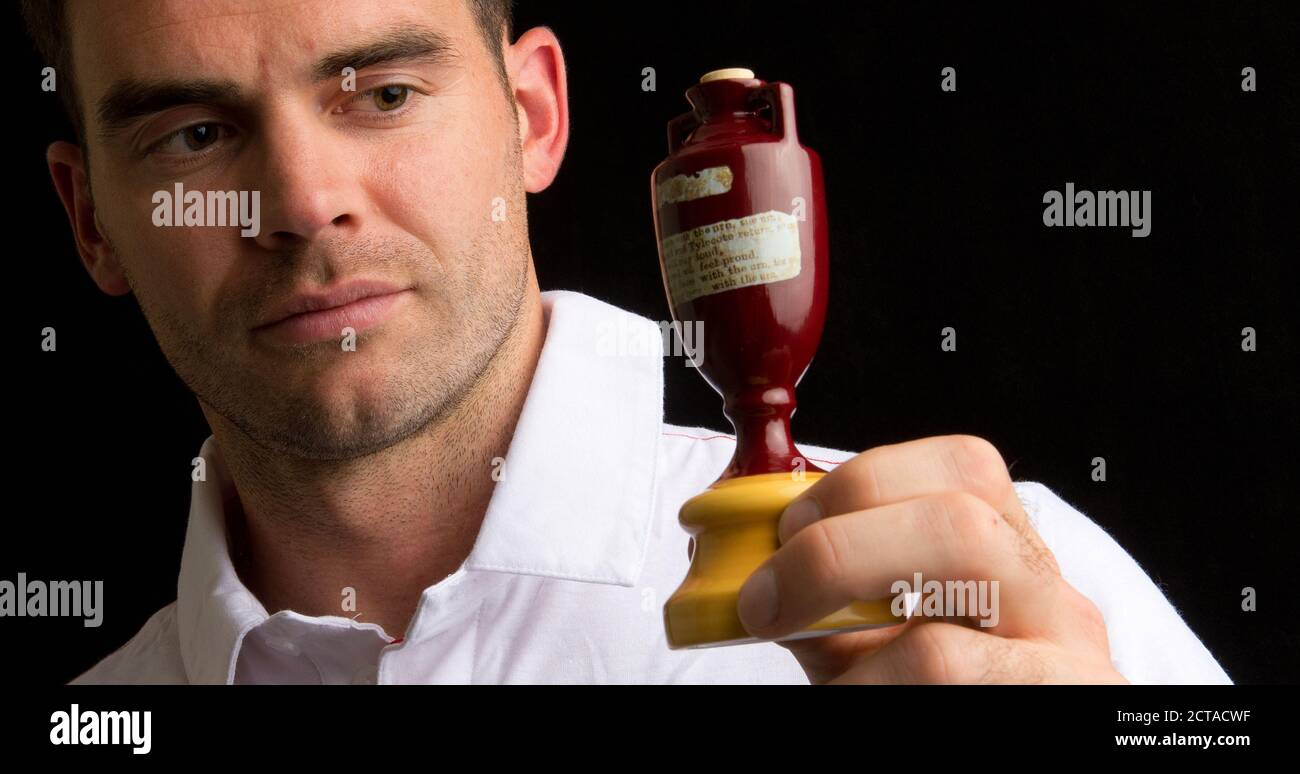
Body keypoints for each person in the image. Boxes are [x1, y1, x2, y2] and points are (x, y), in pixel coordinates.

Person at [23, 0, 1230, 684]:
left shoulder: (1008, 597)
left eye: (384, 94)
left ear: (532, 117)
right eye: (190, 136)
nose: (300, 201)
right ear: (91, 223)